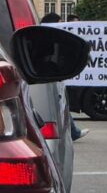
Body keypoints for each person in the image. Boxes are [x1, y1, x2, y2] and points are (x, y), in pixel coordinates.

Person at [39, 12, 90, 141]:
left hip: (51, 75)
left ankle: (73, 131)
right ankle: (73, 132)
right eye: (60, 22)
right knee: (60, 102)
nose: (63, 24)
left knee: (61, 102)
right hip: (48, 75)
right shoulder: (46, 37)